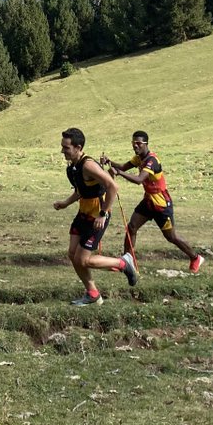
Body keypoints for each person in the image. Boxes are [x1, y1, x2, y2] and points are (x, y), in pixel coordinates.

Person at [53, 127, 139, 305]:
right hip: (83, 213)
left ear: (78, 147)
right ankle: (92, 293)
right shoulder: (74, 166)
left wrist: (103, 213)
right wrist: (65, 203)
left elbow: (113, 186)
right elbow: (81, 190)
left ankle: (123, 263)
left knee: (83, 260)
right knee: (72, 254)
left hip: (96, 215)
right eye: (62, 146)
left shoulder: (88, 164)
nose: (62, 151)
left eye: (66, 147)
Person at [101, 131, 204, 274]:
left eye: (138, 144)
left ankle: (195, 257)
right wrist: (109, 162)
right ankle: (126, 263)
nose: (135, 146)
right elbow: (123, 167)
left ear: (146, 144)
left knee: (171, 237)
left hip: (161, 204)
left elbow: (139, 180)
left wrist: (119, 173)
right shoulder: (139, 158)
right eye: (133, 143)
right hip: (149, 201)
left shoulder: (151, 161)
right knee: (131, 227)